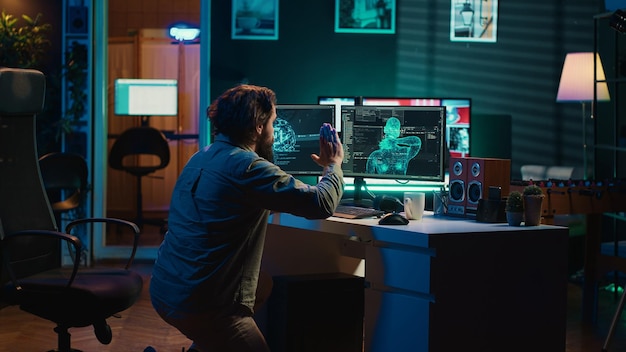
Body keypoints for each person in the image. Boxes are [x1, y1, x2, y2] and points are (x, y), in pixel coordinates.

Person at [149, 84, 344, 352]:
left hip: (165, 288)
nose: (275, 134)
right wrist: (333, 164)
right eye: (274, 124)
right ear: (258, 126)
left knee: (262, 284)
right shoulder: (248, 167)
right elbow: (322, 204)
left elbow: (225, 205)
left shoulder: (201, 157)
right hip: (202, 304)